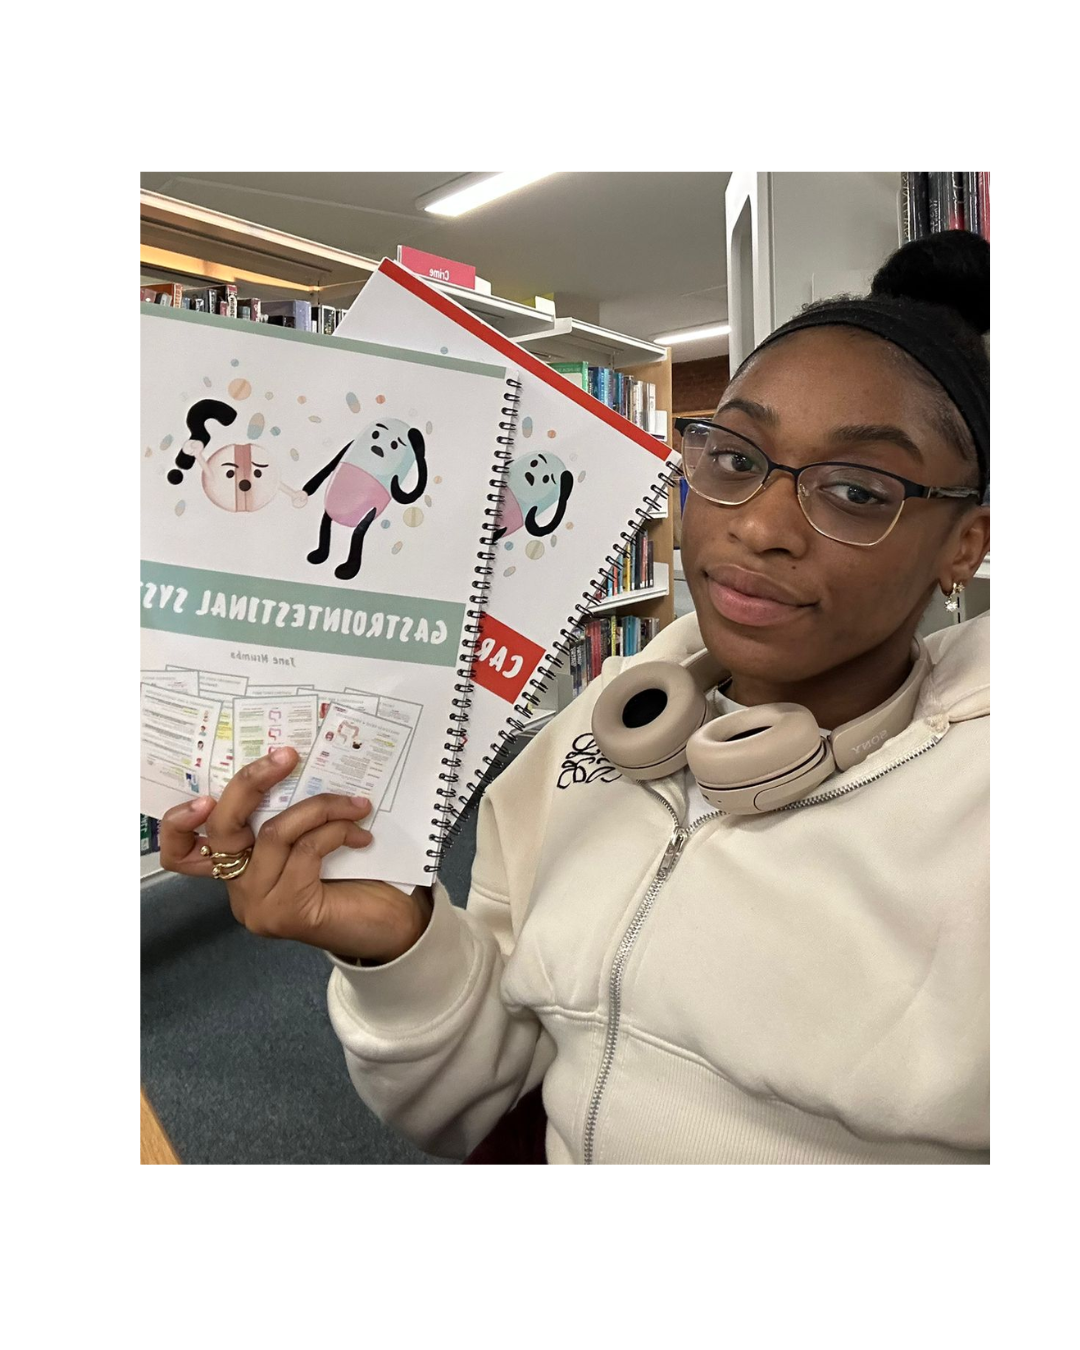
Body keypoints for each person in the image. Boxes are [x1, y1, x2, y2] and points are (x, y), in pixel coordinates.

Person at [160, 230, 992, 1166]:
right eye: (733, 457)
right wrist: (399, 949)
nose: (757, 525)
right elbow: (480, 1102)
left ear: (965, 543)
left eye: (854, 490)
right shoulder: (577, 750)